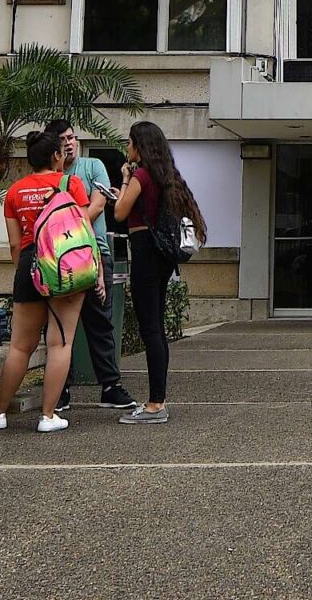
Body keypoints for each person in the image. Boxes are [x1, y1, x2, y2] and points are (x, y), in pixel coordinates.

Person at [0, 129, 103, 434]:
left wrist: (26, 270)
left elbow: (15, 244)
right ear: (56, 156)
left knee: (20, 346)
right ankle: (48, 416)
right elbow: (83, 231)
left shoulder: (16, 191)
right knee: (60, 341)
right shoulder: (71, 183)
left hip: (30, 262)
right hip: (66, 264)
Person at [111, 119, 206, 422]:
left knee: (150, 328)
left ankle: (155, 404)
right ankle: (157, 399)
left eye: (130, 142)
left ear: (139, 145)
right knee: (157, 328)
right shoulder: (167, 176)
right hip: (163, 257)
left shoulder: (141, 174)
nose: (127, 148)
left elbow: (120, 212)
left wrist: (125, 180)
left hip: (145, 251)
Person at [43, 116, 136, 414]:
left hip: (96, 252)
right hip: (57, 259)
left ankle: (110, 386)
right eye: (62, 140)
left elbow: (97, 206)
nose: (69, 143)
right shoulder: (50, 175)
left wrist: (64, 222)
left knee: (100, 321)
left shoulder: (93, 166)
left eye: (71, 137)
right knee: (60, 326)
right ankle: (61, 390)